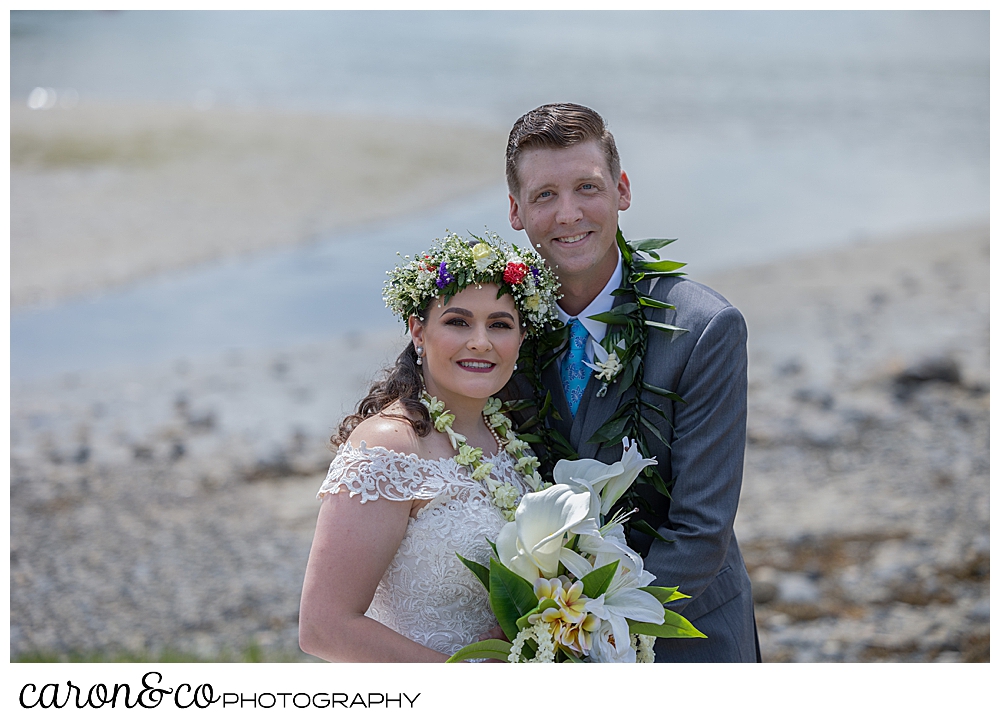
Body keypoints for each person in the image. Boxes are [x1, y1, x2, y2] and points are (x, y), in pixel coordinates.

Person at [505, 103, 760, 662]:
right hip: (541, 644)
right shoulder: (497, 331)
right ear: (516, 211)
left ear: (621, 189)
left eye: (587, 187)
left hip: (683, 640)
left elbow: (700, 530)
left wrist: (589, 641)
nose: (568, 214)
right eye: (545, 195)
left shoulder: (703, 330)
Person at [298, 231, 560, 662]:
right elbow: (324, 627)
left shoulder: (508, 439)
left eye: (500, 323)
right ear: (418, 331)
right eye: (458, 322)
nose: (480, 341)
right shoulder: (391, 447)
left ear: (521, 337)